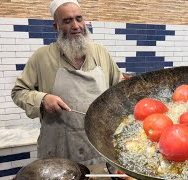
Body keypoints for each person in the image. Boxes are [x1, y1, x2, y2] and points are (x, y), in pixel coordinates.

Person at [11, 0, 121, 166]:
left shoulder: (101, 53)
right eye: (67, 21)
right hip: (58, 151)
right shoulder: (42, 57)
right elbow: (18, 92)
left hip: (98, 147)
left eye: (79, 19)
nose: (76, 26)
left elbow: (119, 90)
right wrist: (42, 99)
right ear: (56, 27)